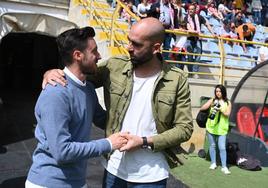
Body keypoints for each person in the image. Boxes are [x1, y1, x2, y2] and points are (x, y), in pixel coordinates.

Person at [43, 17, 193, 187]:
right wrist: (51, 72)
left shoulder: (177, 79)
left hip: (152, 175)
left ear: (156, 48)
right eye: (129, 41)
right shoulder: (114, 67)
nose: (128, 47)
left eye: (136, 44)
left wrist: (144, 141)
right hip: (114, 169)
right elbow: (77, 72)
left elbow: (184, 128)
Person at [25, 27, 128, 188]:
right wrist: (108, 144)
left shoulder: (87, 89)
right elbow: (62, 152)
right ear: (78, 55)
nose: (99, 56)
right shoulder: (56, 94)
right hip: (48, 183)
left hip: (76, 182)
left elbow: (103, 119)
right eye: (94, 51)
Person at [200, 84, 232, 175]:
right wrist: (211, 105)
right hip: (211, 127)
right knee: (212, 146)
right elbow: (202, 108)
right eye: (216, 91)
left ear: (223, 92)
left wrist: (220, 109)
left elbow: (227, 114)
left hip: (222, 129)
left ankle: (224, 166)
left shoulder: (228, 102)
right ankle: (213, 163)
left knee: (222, 147)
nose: (218, 93)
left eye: (220, 91)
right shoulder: (212, 100)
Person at [184, 4, 215, 77]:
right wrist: (197, 33)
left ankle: (194, 72)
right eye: (189, 9)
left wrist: (213, 33)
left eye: (192, 9)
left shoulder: (199, 17)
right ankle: (190, 72)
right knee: (190, 57)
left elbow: (207, 24)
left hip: (198, 39)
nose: (190, 10)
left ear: (195, 10)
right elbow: (188, 28)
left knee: (198, 56)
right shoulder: (186, 18)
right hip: (189, 39)